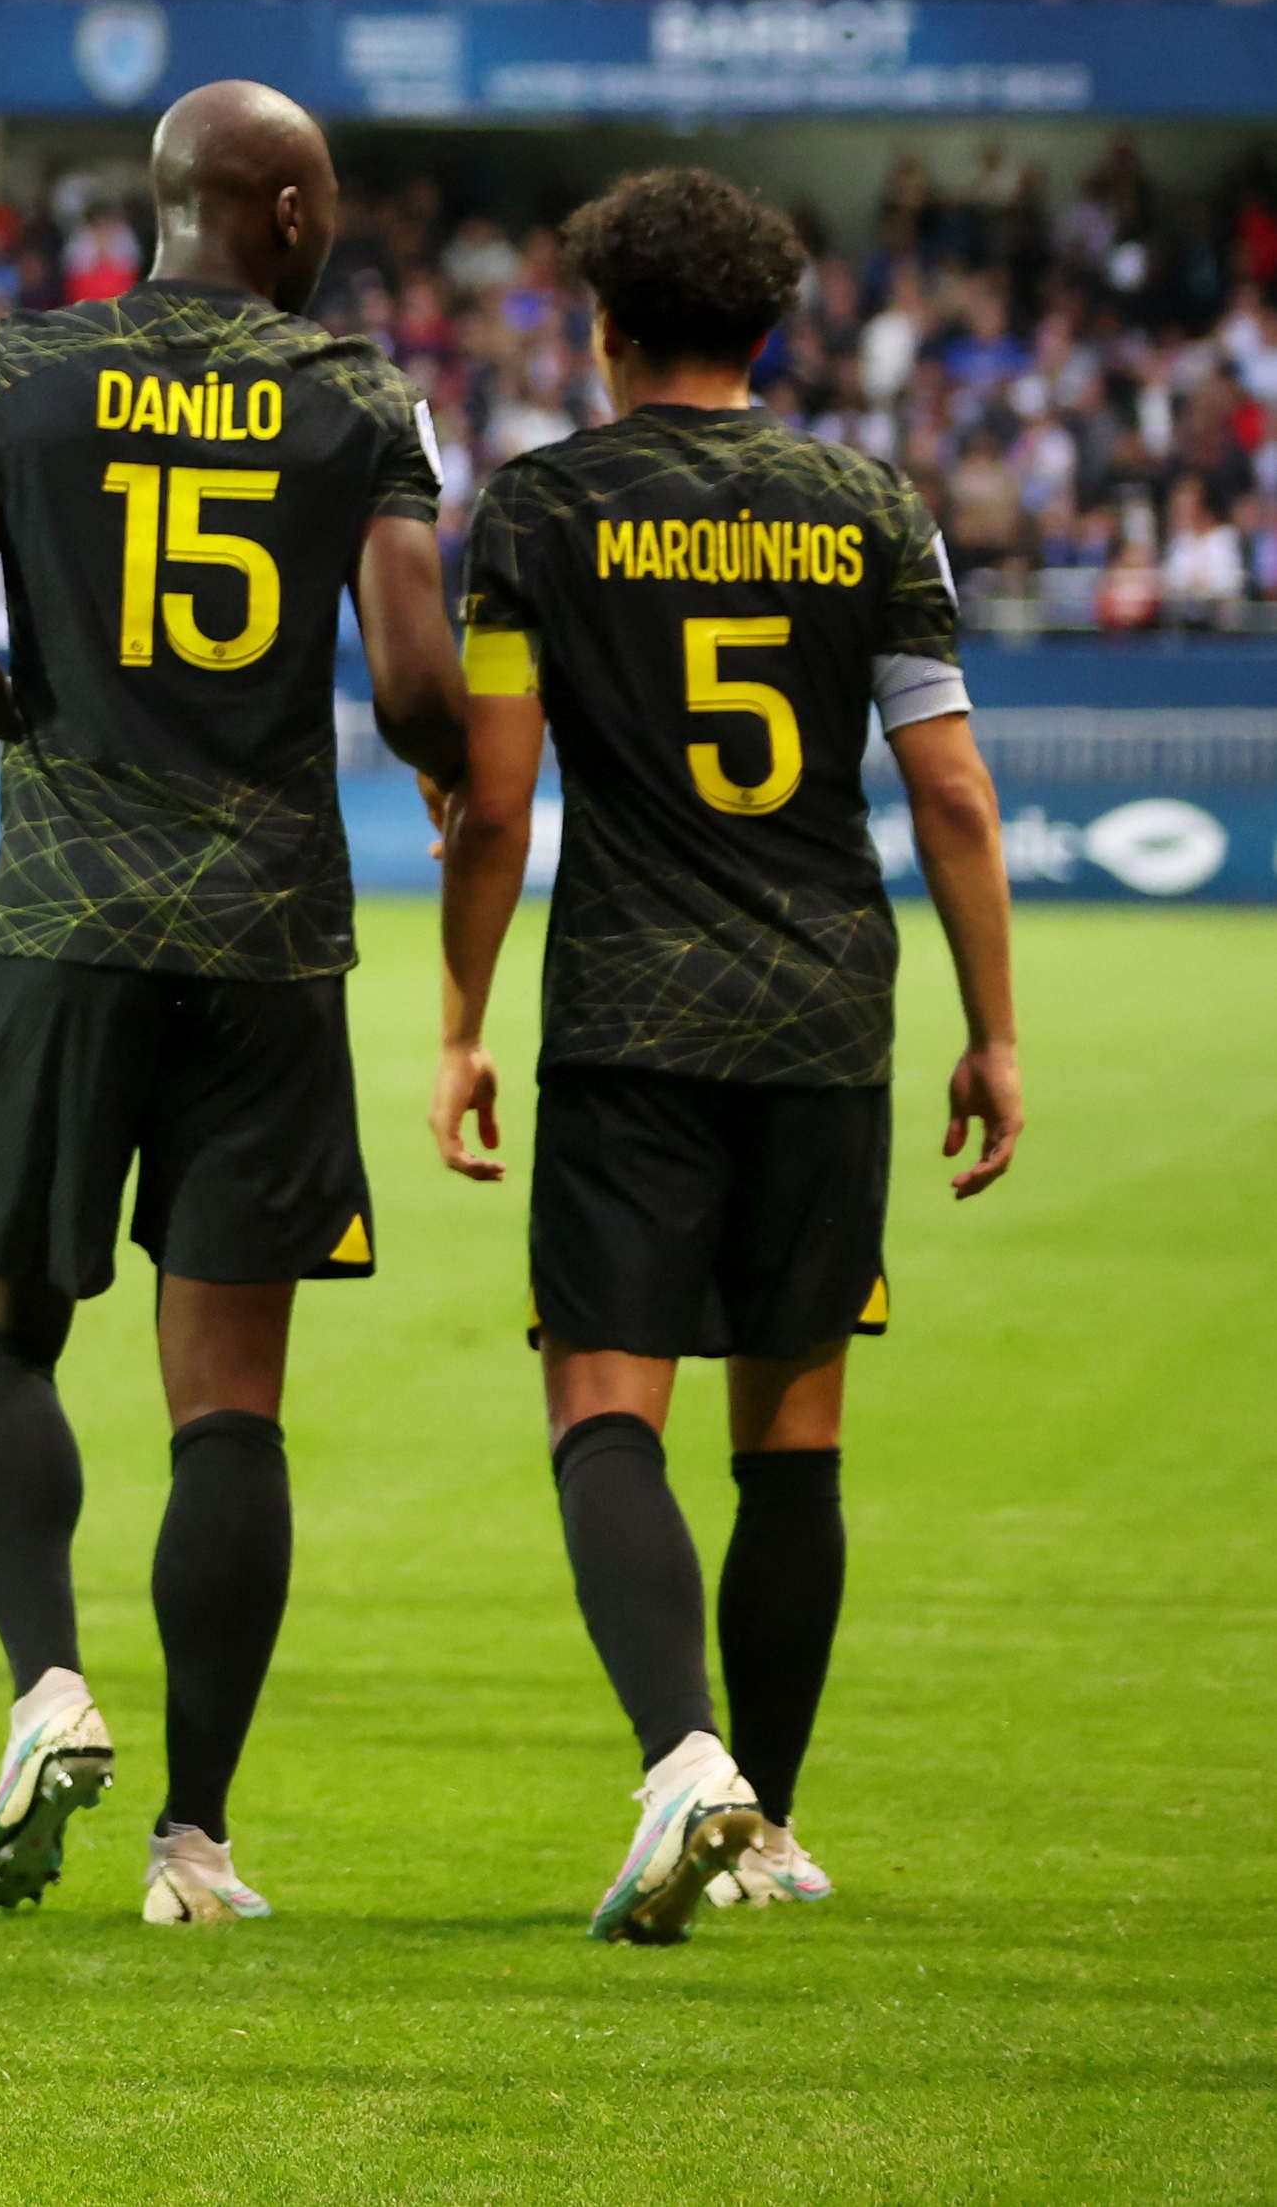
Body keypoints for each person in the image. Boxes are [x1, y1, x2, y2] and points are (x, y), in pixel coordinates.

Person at [0, 79, 469, 1924]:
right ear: (283, 212)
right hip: (269, 943)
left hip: (62, 922)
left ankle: (46, 1684)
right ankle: (194, 1843)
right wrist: (455, 779)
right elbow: (410, 672)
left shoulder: (6, 370)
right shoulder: (359, 396)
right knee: (230, 1406)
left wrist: (51, 732)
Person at [427, 166, 1022, 1944]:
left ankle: (684, 1758)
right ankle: (764, 1823)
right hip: (829, 1012)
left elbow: (500, 801)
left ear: (599, 328)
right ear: (765, 328)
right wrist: (993, 1031)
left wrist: (456, 1017)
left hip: (627, 1013)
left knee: (603, 1407)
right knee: (797, 1431)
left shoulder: (539, 509)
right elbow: (952, 794)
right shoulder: (868, 507)